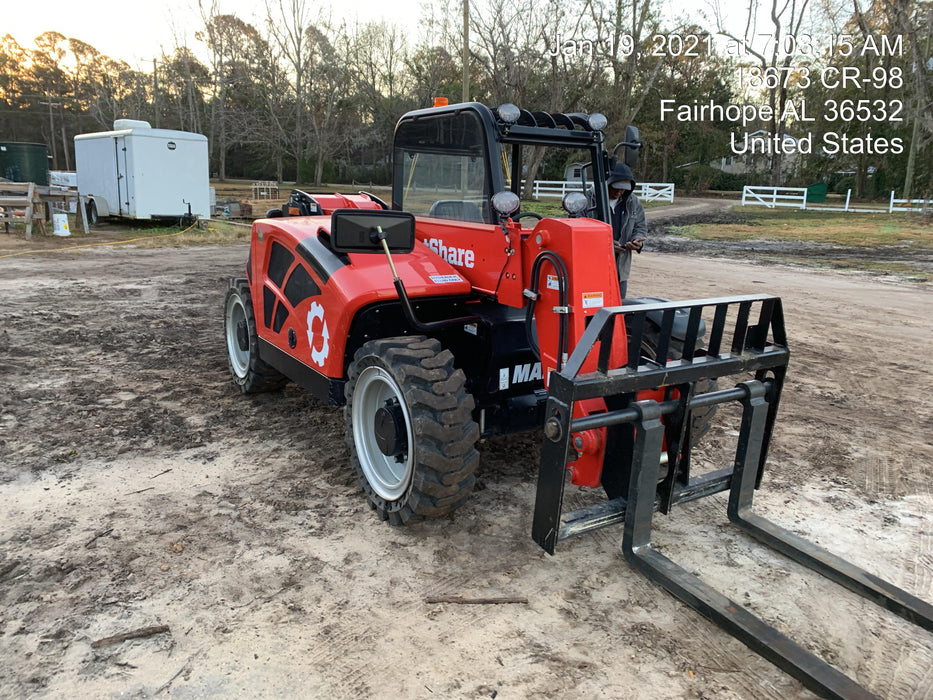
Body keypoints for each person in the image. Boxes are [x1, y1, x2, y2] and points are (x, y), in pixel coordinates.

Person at [605, 162, 646, 299]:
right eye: (615, 188)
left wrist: (637, 241)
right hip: (594, 268)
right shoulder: (588, 200)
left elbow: (640, 227)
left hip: (620, 269)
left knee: (618, 308)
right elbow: (579, 236)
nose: (619, 192)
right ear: (607, 183)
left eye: (623, 189)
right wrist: (607, 246)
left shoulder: (633, 202)